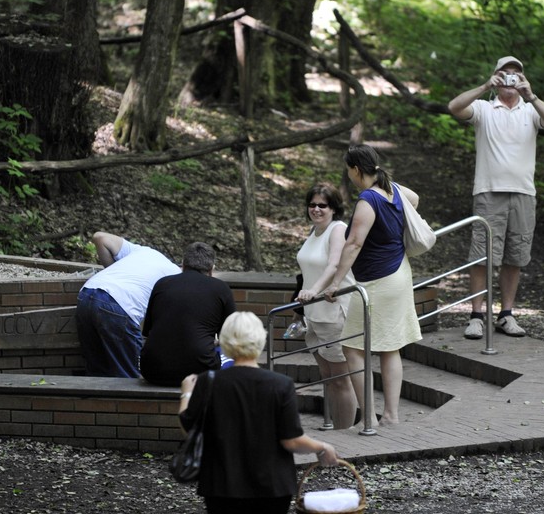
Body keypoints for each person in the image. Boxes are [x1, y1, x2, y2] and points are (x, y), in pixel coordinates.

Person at [178, 311, 339, 514]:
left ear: (224, 342)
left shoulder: (207, 382)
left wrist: (186, 394)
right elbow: (291, 440)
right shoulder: (280, 384)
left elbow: (189, 428)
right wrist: (322, 446)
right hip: (272, 486)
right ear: (260, 340)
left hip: (221, 484)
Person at [448, 56, 544, 339]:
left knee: (515, 256)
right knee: (482, 256)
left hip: (523, 193)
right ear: (496, 78)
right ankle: (476, 315)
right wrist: (485, 85)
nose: (510, 79)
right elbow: (454, 107)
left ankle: (506, 314)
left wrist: (531, 95)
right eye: (504, 74)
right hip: (489, 192)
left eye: (516, 74)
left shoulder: (531, 110)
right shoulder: (484, 108)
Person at [318, 144, 423, 427]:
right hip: (399, 273)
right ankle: (391, 416)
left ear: (355, 169)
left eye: (348, 170)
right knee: (390, 347)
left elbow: (353, 244)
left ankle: (369, 419)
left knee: (352, 348)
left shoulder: (367, 199)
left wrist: (336, 283)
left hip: (377, 281)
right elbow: (414, 198)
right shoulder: (392, 190)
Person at [293, 183, 358, 429]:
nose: (317, 209)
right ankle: (336, 427)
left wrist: (313, 291)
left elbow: (333, 266)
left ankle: (344, 434)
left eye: (323, 205)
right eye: (312, 205)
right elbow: (306, 273)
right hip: (314, 313)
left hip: (335, 311)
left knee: (341, 379)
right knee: (328, 377)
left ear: (333, 208)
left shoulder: (337, 229)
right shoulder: (314, 231)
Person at [76, 232, 180, 377]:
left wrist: (112, 273)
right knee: (131, 377)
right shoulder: (175, 276)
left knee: (97, 373)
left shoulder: (144, 251)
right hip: (119, 304)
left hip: (87, 294)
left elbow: (100, 237)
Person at [140, 242, 236, 386]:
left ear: (183, 265)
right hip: (201, 372)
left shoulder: (162, 284)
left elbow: (147, 332)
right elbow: (230, 337)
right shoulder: (221, 288)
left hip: (152, 370)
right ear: (211, 269)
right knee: (230, 355)